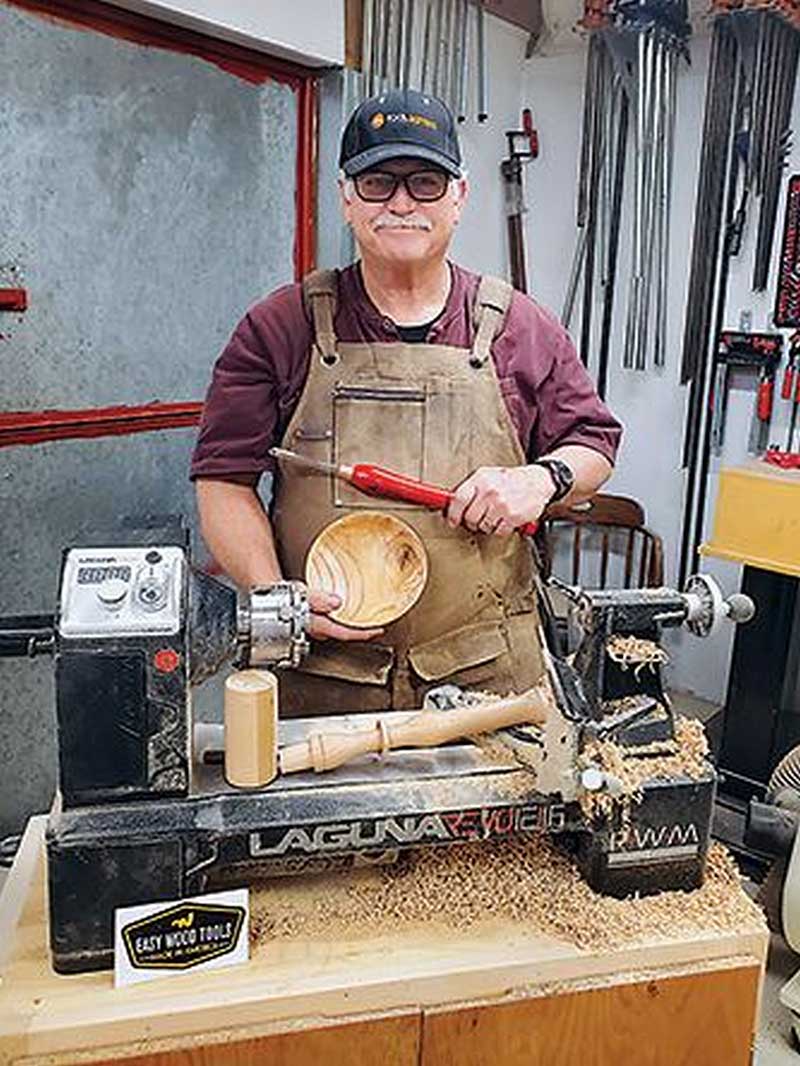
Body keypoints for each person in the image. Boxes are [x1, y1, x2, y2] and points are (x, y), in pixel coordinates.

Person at [191, 88, 622, 714]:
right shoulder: (280, 327)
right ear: (345, 198)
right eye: (376, 182)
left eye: (425, 182)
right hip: (321, 677)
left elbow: (595, 445)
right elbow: (223, 482)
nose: (400, 203)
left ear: (459, 196)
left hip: (488, 678)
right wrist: (277, 598)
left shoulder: (521, 328)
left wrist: (542, 478)